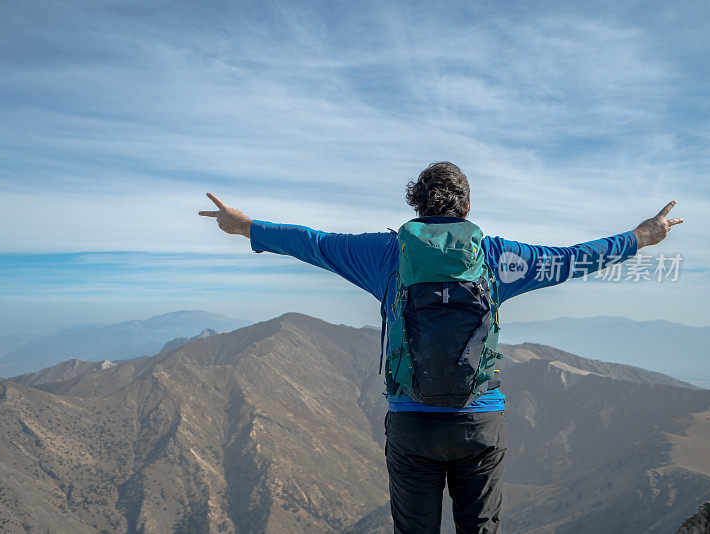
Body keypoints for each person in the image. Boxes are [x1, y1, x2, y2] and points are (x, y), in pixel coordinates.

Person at [198, 162, 683, 534]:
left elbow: (313, 243)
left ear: (415, 205)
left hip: (411, 421)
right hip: (480, 420)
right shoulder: (496, 256)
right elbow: (574, 258)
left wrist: (245, 226)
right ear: (467, 210)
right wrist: (642, 236)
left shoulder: (385, 253)